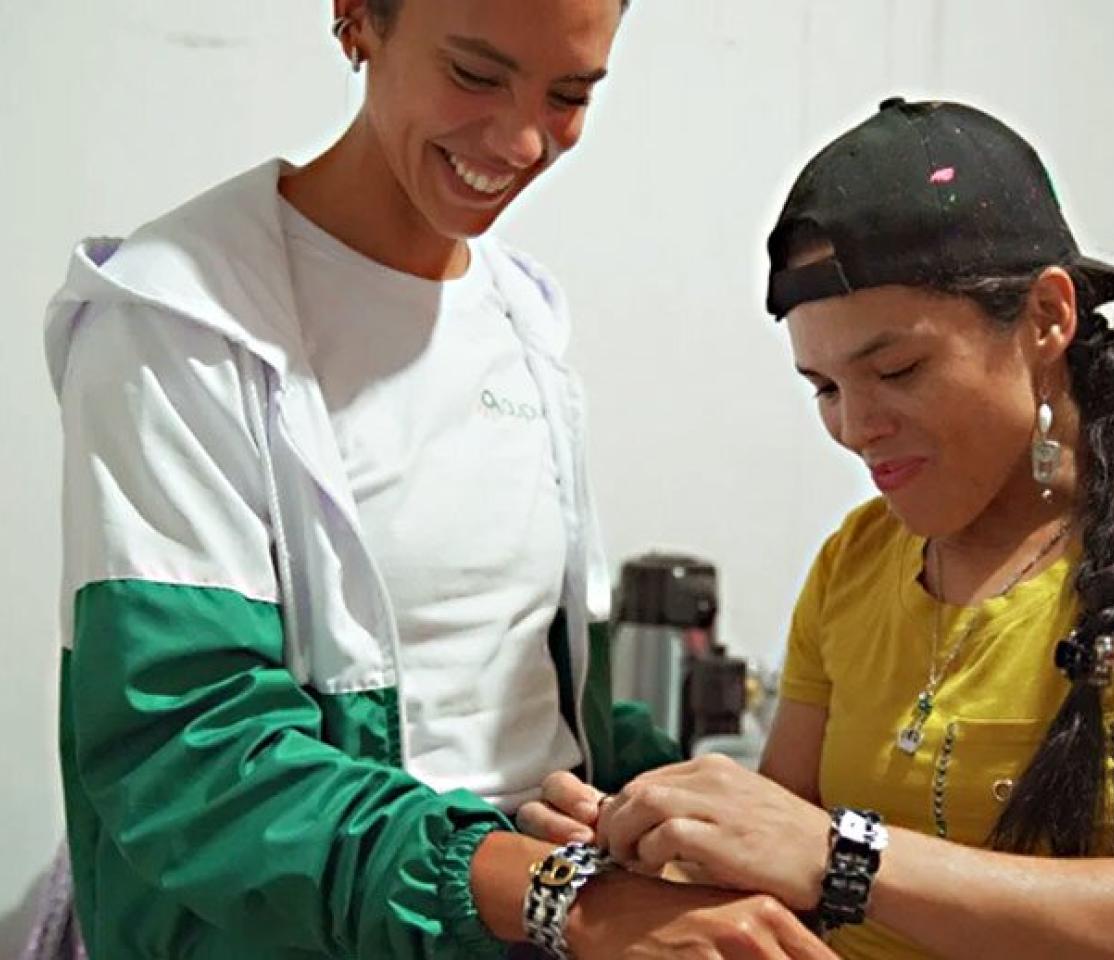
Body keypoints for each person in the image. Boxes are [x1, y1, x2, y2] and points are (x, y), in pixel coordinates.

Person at [43, 1, 840, 957]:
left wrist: (677, 807)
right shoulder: (179, 323)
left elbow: (532, 701)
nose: (517, 139)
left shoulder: (522, 316)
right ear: (356, 18)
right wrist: (562, 899)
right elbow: (191, 758)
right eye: (474, 74)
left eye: (570, 94)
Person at [523, 98, 1114, 958]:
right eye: (826, 388)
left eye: (897, 369)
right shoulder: (857, 562)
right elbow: (776, 866)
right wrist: (643, 845)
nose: (855, 427)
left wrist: (845, 858)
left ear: (1046, 318)